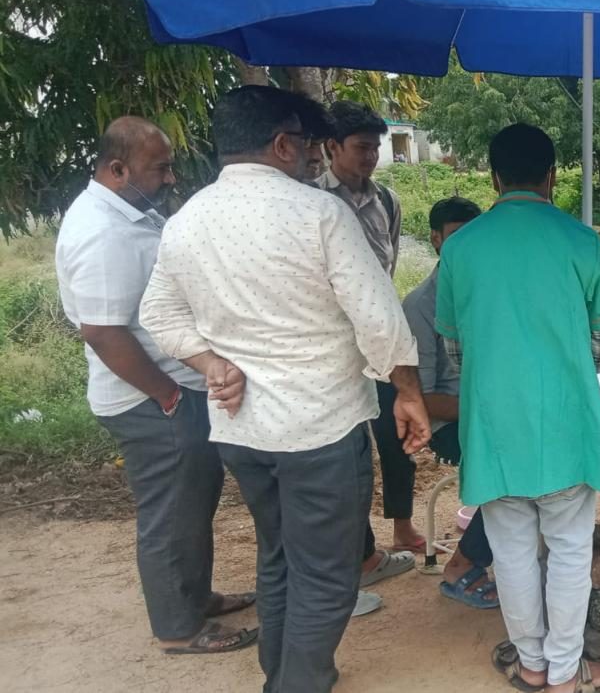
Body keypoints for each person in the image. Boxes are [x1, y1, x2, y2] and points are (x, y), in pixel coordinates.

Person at [140, 85, 432, 692]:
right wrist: (407, 389)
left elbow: (159, 315)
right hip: (318, 427)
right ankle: (296, 683)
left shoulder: (185, 220)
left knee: (279, 557)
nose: (312, 157)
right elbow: (378, 319)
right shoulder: (319, 214)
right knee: (327, 574)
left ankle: (282, 668)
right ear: (280, 143)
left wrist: (210, 363)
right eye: (304, 145)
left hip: (242, 430)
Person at [435, 123, 600, 692]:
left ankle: (531, 664)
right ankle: (568, 671)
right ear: (552, 176)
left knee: (512, 550)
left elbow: (454, 348)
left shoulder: (462, 246)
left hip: (494, 424)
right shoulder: (581, 241)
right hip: (567, 420)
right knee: (570, 550)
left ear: (494, 177)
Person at [54, 116, 257, 656]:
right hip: (150, 399)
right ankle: (179, 629)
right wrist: (166, 396)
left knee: (191, 500)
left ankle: (194, 599)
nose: (171, 178)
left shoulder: (126, 214)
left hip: (168, 392)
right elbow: (100, 329)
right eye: (159, 167)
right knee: (171, 514)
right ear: (118, 169)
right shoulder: (102, 231)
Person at [314, 101, 415, 615]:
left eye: (375, 147)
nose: (371, 157)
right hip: (332, 349)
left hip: (379, 342)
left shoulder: (386, 201)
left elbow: (386, 268)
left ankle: (400, 527)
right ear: (331, 148)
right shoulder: (310, 201)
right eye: (360, 148)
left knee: (396, 438)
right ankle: (354, 556)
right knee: (346, 453)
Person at [401, 196, 497, 610]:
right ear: (436, 240)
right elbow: (417, 397)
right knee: (515, 472)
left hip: (498, 409)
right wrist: (485, 409)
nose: (467, 248)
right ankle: (461, 564)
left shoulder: (492, 290)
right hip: (452, 421)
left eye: (476, 238)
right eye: (457, 238)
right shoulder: (421, 305)